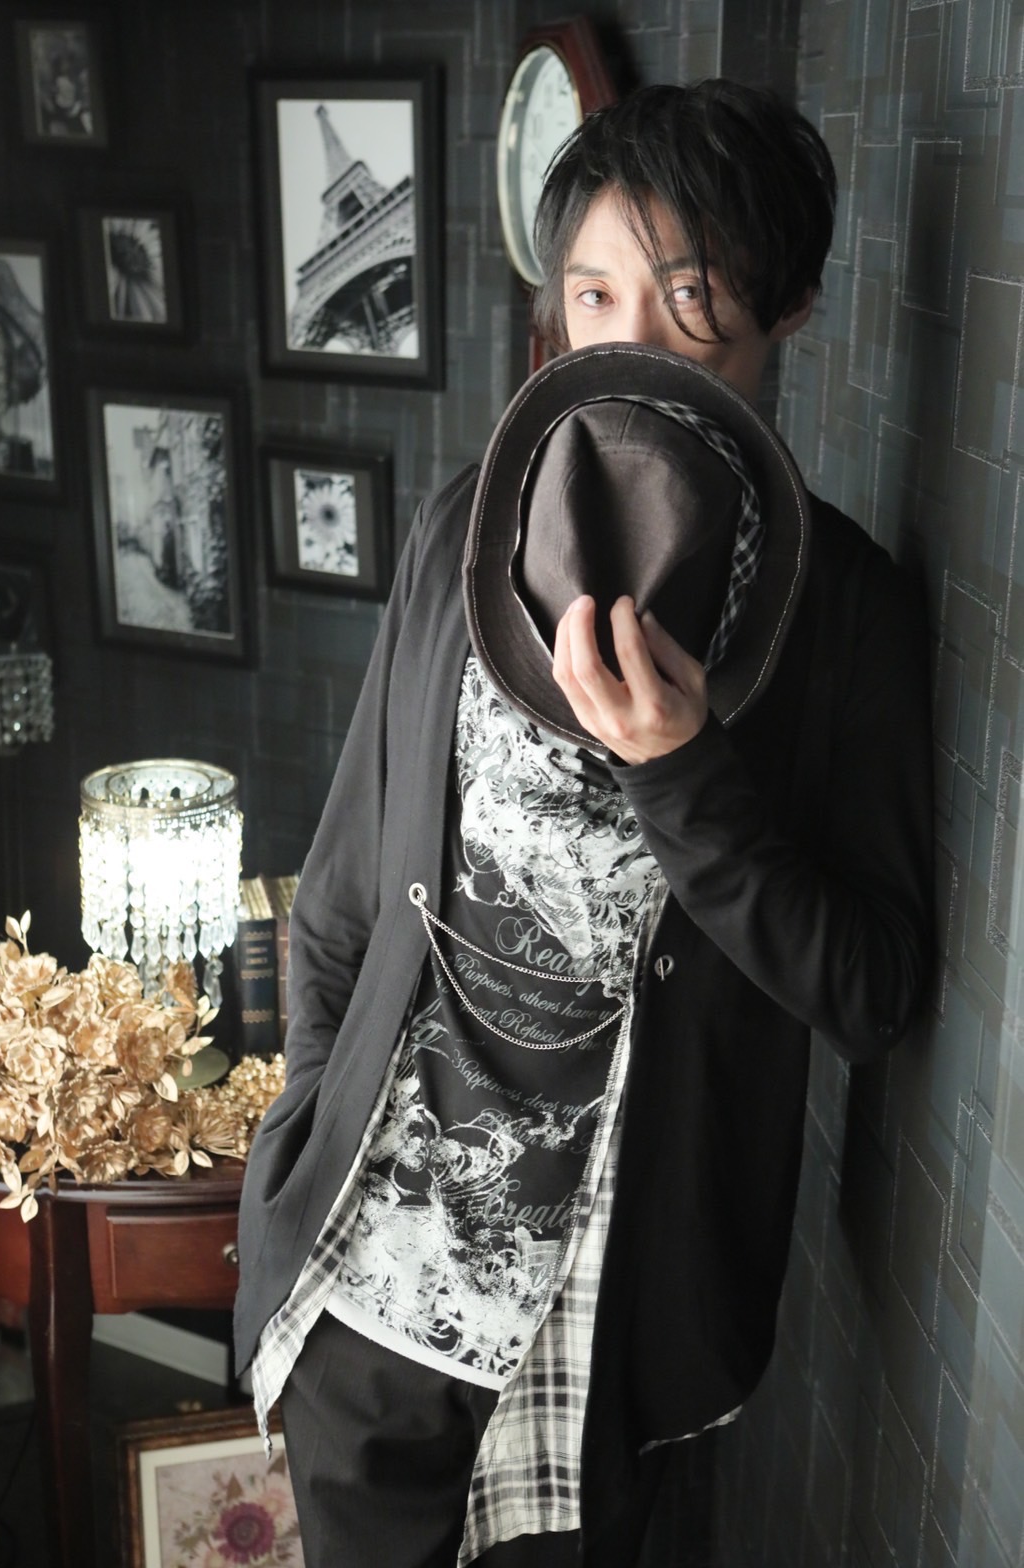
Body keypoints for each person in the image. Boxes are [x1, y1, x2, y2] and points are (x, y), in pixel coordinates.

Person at [234, 79, 933, 1567]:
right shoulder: (464, 533)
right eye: (595, 295)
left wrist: (683, 771)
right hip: (368, 1297)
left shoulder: (846, 615)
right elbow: (341, 903)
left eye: (691, 307)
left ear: (788, 312)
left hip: (604, 1353)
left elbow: (872, 990)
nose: (631, 349)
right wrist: (296, 1146)